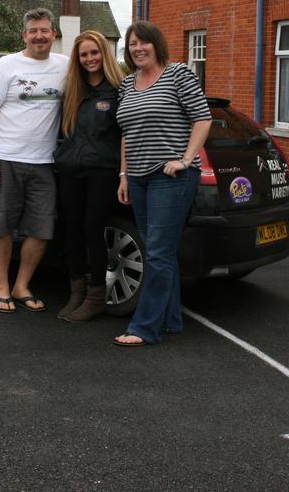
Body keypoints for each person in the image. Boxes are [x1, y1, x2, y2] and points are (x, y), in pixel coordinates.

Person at [113, 21, 212, 346]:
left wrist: (185, 160)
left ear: (156, 44)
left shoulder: (178, 74)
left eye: (143, 43)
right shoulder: (128, 83)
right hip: (138, 177)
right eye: (132, 45)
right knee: (161, 252)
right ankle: (170, 320)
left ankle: (144, 327)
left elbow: (202, 118)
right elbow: (126, 132)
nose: (137, 49)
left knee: (156, 252)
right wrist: (124, 175)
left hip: (171, 177)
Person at [0, 8, 69, 314]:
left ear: (53, 34)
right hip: (6, 159)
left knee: (41, 230)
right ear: (24, 35)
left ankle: (22, 285)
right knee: (1, 226)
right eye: (33, 31)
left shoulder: (65, 66)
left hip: (45, 162)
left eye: (44, 30)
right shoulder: (6, 66)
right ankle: (1, 285)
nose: (39, 36)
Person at [53, 30, 123, 322]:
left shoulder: (118, 90)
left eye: (94, 52)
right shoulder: (72, 89)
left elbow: (126, 135)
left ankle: (96, 296)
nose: (90, 58)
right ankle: (76, 293)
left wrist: (123, 174)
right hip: (70, 169)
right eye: (84, 54)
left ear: (104, 54)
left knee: (92, 228)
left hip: (102, 171)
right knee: (71, 230)